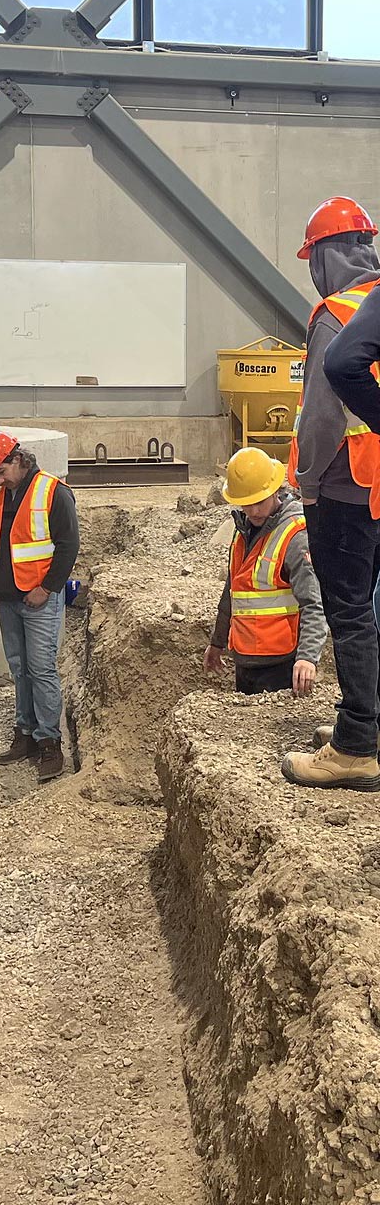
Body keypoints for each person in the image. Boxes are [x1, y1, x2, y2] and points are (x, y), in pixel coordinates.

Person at [282, 197, 380, 792]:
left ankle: (354, 747)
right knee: (371, 611)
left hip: (343, 489)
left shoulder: (334, 313)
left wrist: (310, 484)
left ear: (323, 256)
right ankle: (369, 723)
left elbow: (319, 420)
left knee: (349, 613)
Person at [0, 431, 79, 782]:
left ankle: (50, 742)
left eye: (1, 470)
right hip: (7, 597)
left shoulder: (54, 492)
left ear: (19, 460)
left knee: (41, 669)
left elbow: (69, 546)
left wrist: (48, 589)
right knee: (19, 669)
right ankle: (26, 734)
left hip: (38, 599)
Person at [204, 448, 326, 697]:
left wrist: (308, 658)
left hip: (280, 663)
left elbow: (314, 602)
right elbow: (233, 592)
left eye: (258, 502)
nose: (253, 511)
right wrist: (217, 642)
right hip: (244, 659)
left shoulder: (294, 535)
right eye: (246, 504)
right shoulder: (242, 531)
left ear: (273, 491)